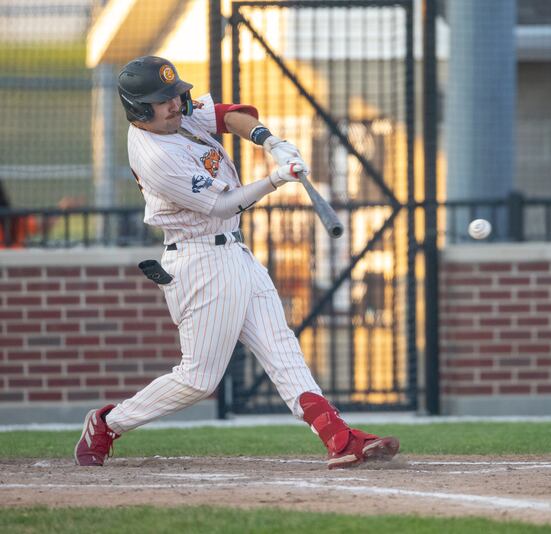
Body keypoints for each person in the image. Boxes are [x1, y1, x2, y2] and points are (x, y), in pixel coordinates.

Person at [74, 56, 399, 469]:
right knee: (198, 379)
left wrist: (271, 142)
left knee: (283, 351)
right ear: (139, 109)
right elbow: (223, 203)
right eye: (163, 100)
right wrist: (276, 179)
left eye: (175, 95)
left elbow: (232, 116)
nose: (175, 104)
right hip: (199, 260)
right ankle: (107, 423)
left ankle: (340, 438)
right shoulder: (157, 155)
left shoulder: (177, 116)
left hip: (235, 252)